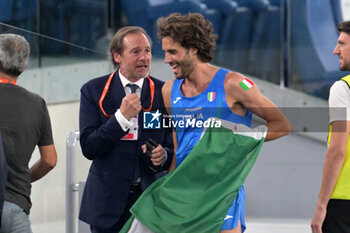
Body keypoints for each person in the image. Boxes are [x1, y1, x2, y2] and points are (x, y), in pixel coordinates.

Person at [159, 13, 291, 233]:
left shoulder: (234, 84)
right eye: (164, 52)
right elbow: (177, 143)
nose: (166, 59)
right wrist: (168, 186)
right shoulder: (168, 90)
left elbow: (282, 124)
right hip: (184, 193)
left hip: (221, 190)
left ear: (193, 48)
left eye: (172, 51)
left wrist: (241, 138)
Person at [79, 26, 174, 232]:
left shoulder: (163, 91)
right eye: (136, 51)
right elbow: (89, 147)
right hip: (107, 203)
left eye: (147, 50)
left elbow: (172, 144)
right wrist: (121, 118)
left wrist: (164, 155)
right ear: (117, 56)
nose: (144, 57)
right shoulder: (93, 90)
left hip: (149, 200)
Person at [0, 34, 57, 233]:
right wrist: (24, 178)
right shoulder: (36, 104)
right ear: (24, 67)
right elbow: (49, 160)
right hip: (16, 207)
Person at [311, 21, 350, 233]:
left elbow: (337, 150)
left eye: (342, 44)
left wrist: (321, 206)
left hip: (344, 203)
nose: (335, 51)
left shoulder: (343, 89)